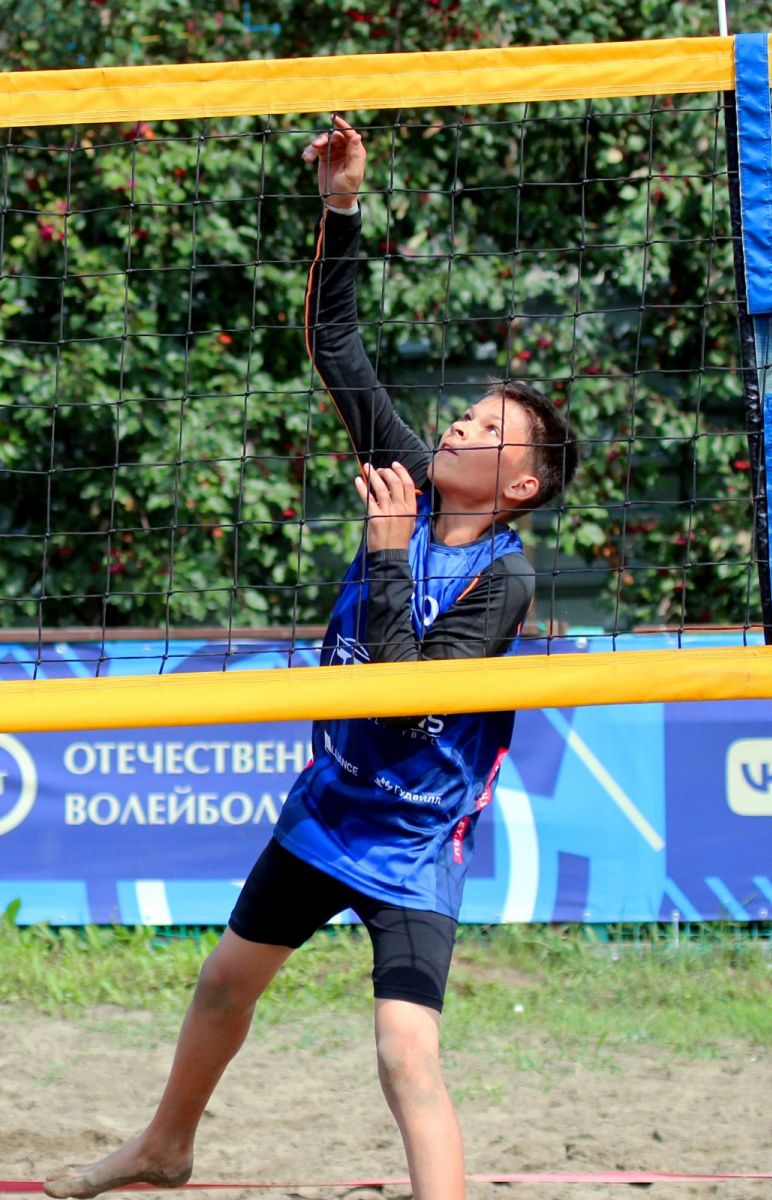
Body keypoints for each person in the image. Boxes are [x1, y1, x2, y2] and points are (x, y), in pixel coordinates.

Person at [44, 116, 577, 1200]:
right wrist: (340, 208)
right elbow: (337, 346)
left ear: (520, 487)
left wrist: (385, 553)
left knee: (404, 1057)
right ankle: (165, 1148)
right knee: (223, 986)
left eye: (486, 433)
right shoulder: (407, 477)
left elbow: (402, 705)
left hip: (414, 839)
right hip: (330, 808)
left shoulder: (505, 580)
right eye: (465, 417)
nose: (458, 430)